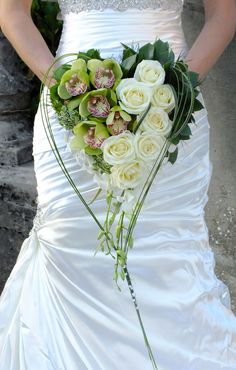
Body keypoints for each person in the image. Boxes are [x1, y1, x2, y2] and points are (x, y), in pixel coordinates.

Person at [0, 0, 236, 369]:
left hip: (170, 110)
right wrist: (63, 90)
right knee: (70, 244)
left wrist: (172, 93)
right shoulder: (68, 99)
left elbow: (223, 16)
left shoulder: (171, 99)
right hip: (71, 111)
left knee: (168, 249)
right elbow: (12, 11)